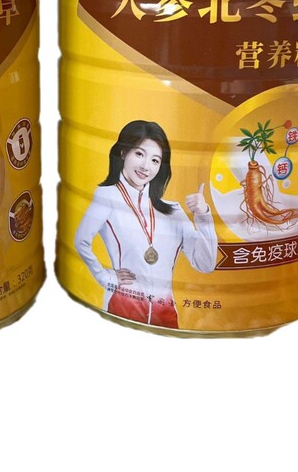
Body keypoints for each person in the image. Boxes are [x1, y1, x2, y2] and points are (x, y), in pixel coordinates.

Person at [74, 120, 218, 328]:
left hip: (165, 314)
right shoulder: (108, 196)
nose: (145, 166)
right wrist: (105, 277)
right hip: (123, 308)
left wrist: (203, 215)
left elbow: (205, 264)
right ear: (123, 153)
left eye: (155, 160)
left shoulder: (173, 211)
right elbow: (81, 241)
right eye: (139, 154)